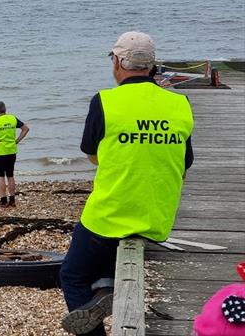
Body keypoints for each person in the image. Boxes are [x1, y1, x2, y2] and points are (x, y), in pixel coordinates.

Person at [60, 32, 194, 336]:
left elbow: (92, 155)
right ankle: (106, 286)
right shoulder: (180, 104)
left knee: (72, 275)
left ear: (118, 62)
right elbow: (183, 165)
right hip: (157, 217)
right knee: (104, 260)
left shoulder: (105, 101)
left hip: (110, 215)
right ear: (151, 65)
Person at [0, 101, 29, 208]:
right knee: (10, 175)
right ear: (5, 109)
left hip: (0, 152)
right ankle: (12, 200)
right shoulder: (12, 118)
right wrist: (18, 140)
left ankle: (4, 200)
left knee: (0, 176)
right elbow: (26, 128)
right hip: (11, 150)